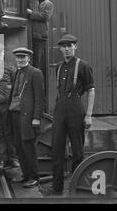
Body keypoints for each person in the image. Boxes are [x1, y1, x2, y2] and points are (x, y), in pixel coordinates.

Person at [41, 34, 95, 196]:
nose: (67, 49)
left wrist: (89, 115)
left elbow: (91, 90)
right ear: (60, 49)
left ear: (75, 47)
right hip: (60, 109)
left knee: (77, 151)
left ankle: (76, 187)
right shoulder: (58, 66)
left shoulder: (83, 65)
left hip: (75, 108)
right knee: (57, 149)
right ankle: (57, 188)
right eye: (64, 47)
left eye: (70, 46)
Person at [8, 47, 45, 188]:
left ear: (29, 58)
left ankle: (34, 177)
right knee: (19, 147)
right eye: (18, 57)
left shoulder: (35, 73)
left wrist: (36, 117)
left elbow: (40, 98)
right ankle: (26, 174)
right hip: (15, 115)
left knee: (28, 147)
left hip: (28, 117)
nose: (20, 60)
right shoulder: (17, 72)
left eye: (23, 57)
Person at [26, 0, 54, 82]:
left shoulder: (49, 4)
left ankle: (36, 80)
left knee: (37, 60)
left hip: (41, 35)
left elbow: (45, 17)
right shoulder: (34, 3)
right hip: (30, 34)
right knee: (30, 58)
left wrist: (31, 13)